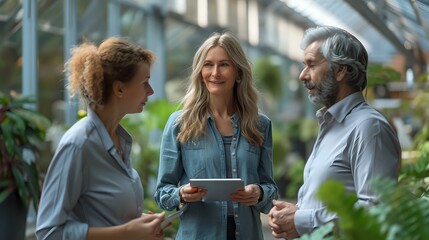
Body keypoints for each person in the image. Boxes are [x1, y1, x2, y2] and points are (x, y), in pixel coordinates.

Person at [269, 26, 401, 239]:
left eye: (311, 64)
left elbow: (377, 211)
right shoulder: (331, 123)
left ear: (340, 70)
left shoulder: (369, 128)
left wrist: (302, 220)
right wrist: (297, 213)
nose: (303, 75)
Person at [36, 37, 165, 240]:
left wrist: (139, 224)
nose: (151, 91)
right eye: (144, 83)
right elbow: (48, 232)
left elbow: (102, 215)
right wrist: (127, 232)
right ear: (119, 89)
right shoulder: (78, 145)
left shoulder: (121, 140)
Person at [154, 32, 278, 240]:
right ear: (200, 72)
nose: (215, 73)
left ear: (238, 71)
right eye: (208, 65)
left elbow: (271, 189)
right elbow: (162, 193)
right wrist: (182, 193)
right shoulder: (180, 124)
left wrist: (259, 192)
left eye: (224, 65)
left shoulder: (260, 125)